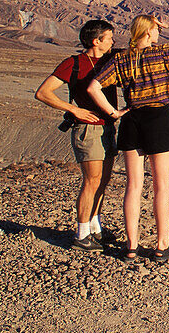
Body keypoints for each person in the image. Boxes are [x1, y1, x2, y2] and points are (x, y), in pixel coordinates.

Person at [86, 15, 169, 263]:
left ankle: (132, 246)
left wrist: (113, 113)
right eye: (157, 31)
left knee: (133, 186)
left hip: (131, 120)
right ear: (151, 32)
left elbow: (92, 88)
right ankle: (162, 245)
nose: (159, 34)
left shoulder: (120, 58)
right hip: (158, 119)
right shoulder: (163, 54)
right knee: (162, 186)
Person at [35, 19, 121, 252]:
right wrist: (74, 109)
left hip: (107, 126)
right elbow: (43, 93)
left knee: (103, 181)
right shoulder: (73, 64)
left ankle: (95, 228)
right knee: (92, 181)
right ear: (97, 41)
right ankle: (81, 233)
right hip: (88, 130)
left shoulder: (111, 60)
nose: (113, 41)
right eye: (109, 38)